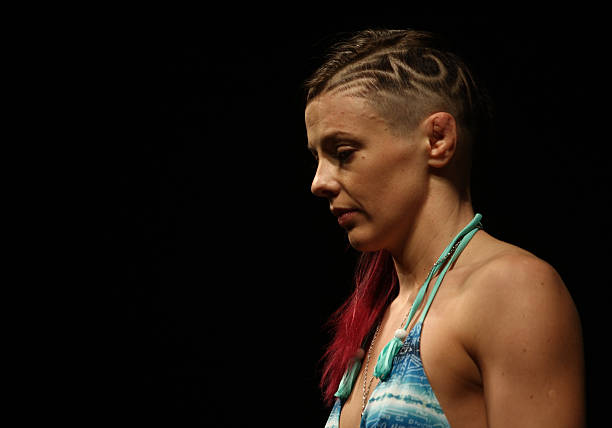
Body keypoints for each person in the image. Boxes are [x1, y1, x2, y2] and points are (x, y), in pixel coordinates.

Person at [304, 29, 585, 428]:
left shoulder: (512, 290)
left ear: (438, 139)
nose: (319, 182)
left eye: (343, 153)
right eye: (317, 158)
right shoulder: (383, 314)